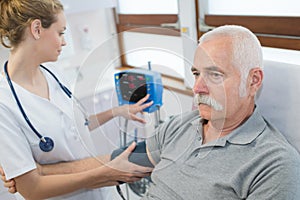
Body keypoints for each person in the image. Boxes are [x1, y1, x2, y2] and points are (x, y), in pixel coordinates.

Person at [2, 23, 300, 199]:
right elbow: (118, 160)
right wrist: (35, 173)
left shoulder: (273, 163)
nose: (197, 89)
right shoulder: (181, 126)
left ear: (253, 80)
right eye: (196, 74)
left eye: (215, 75)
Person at [0, 0, 153, 199]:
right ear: (37, 29)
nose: (64, 42)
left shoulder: (53, 72)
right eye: (60, 32)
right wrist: (105, 173)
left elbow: (77, 125)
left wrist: (117, 112)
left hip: (98, 192)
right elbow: (31, 189)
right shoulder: (4, 103)